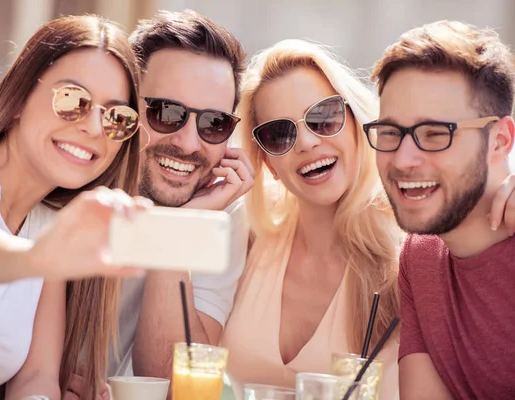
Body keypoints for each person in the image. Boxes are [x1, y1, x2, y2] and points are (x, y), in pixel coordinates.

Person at [0, 14, 148, 399]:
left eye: (116, 117)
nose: (93, 128)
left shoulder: (46, 226)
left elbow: (35, 378)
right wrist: (38, 258)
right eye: (72, 99)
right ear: (21, 97)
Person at [50, 10, 251, 399]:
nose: (190, 144)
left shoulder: (221, 210)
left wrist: (177, 229)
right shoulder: (69, 176)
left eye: (214, 124)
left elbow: (176, 385)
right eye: (166, 113)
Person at [219, 39, 402, 400]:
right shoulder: (246, 237)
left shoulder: (406, 261)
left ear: (355, 122)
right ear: (268, 162)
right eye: (279, 133)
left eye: (323, 116)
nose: (305, 142)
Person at [367, 20, 515, 399]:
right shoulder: (420, 257)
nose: (403, 158)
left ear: (499, 141)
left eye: (435, 133)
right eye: (389, 132)